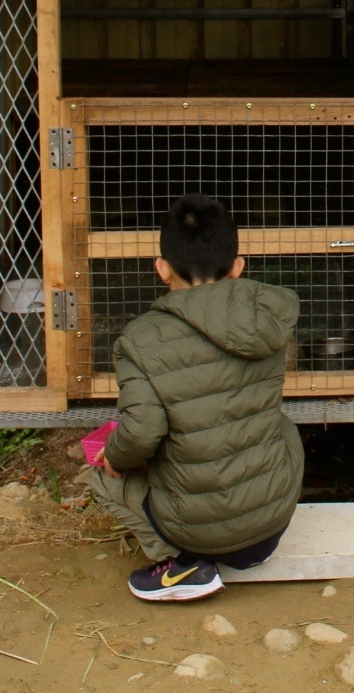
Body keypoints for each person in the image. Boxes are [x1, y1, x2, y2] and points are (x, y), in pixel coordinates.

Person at [84, 194, 303, 602]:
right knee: (279, 424)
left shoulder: (140, 339)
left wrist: (114, 456)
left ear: (162, 268)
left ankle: (181, 564)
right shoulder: (268, 318)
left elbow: (142, 430)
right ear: (238, 266)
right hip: (269, 529)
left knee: (102, 475)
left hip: (197, 532)